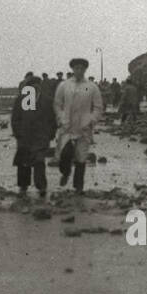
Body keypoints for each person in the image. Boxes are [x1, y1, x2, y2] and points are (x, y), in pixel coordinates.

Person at [54, 57, 103, 195]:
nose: (79, 70)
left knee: (81, 158)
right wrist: (61, 117)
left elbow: (98, 107)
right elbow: (57, 104)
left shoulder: (91, 86)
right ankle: (65, 172)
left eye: (82, 68)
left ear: (85, 69)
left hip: (84, 127)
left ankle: (78, 187)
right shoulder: (64, 85)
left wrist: (91, 120)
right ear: (72, 69)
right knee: (65, 153)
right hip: (67, 127)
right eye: (76, 68)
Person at [11, 72, 55, 199]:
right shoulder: (21, 100)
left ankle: (41, 187)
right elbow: (15, 118)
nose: (35, 89)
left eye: (37, 86)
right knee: (24, 163)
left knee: (39, 161)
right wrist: (18, 133)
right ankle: (23, 187)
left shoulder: (47, 101)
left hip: (41, 138)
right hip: (24, 137)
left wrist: (51, 134)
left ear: (40, 87)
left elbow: (53, 120)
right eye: (31, 86)